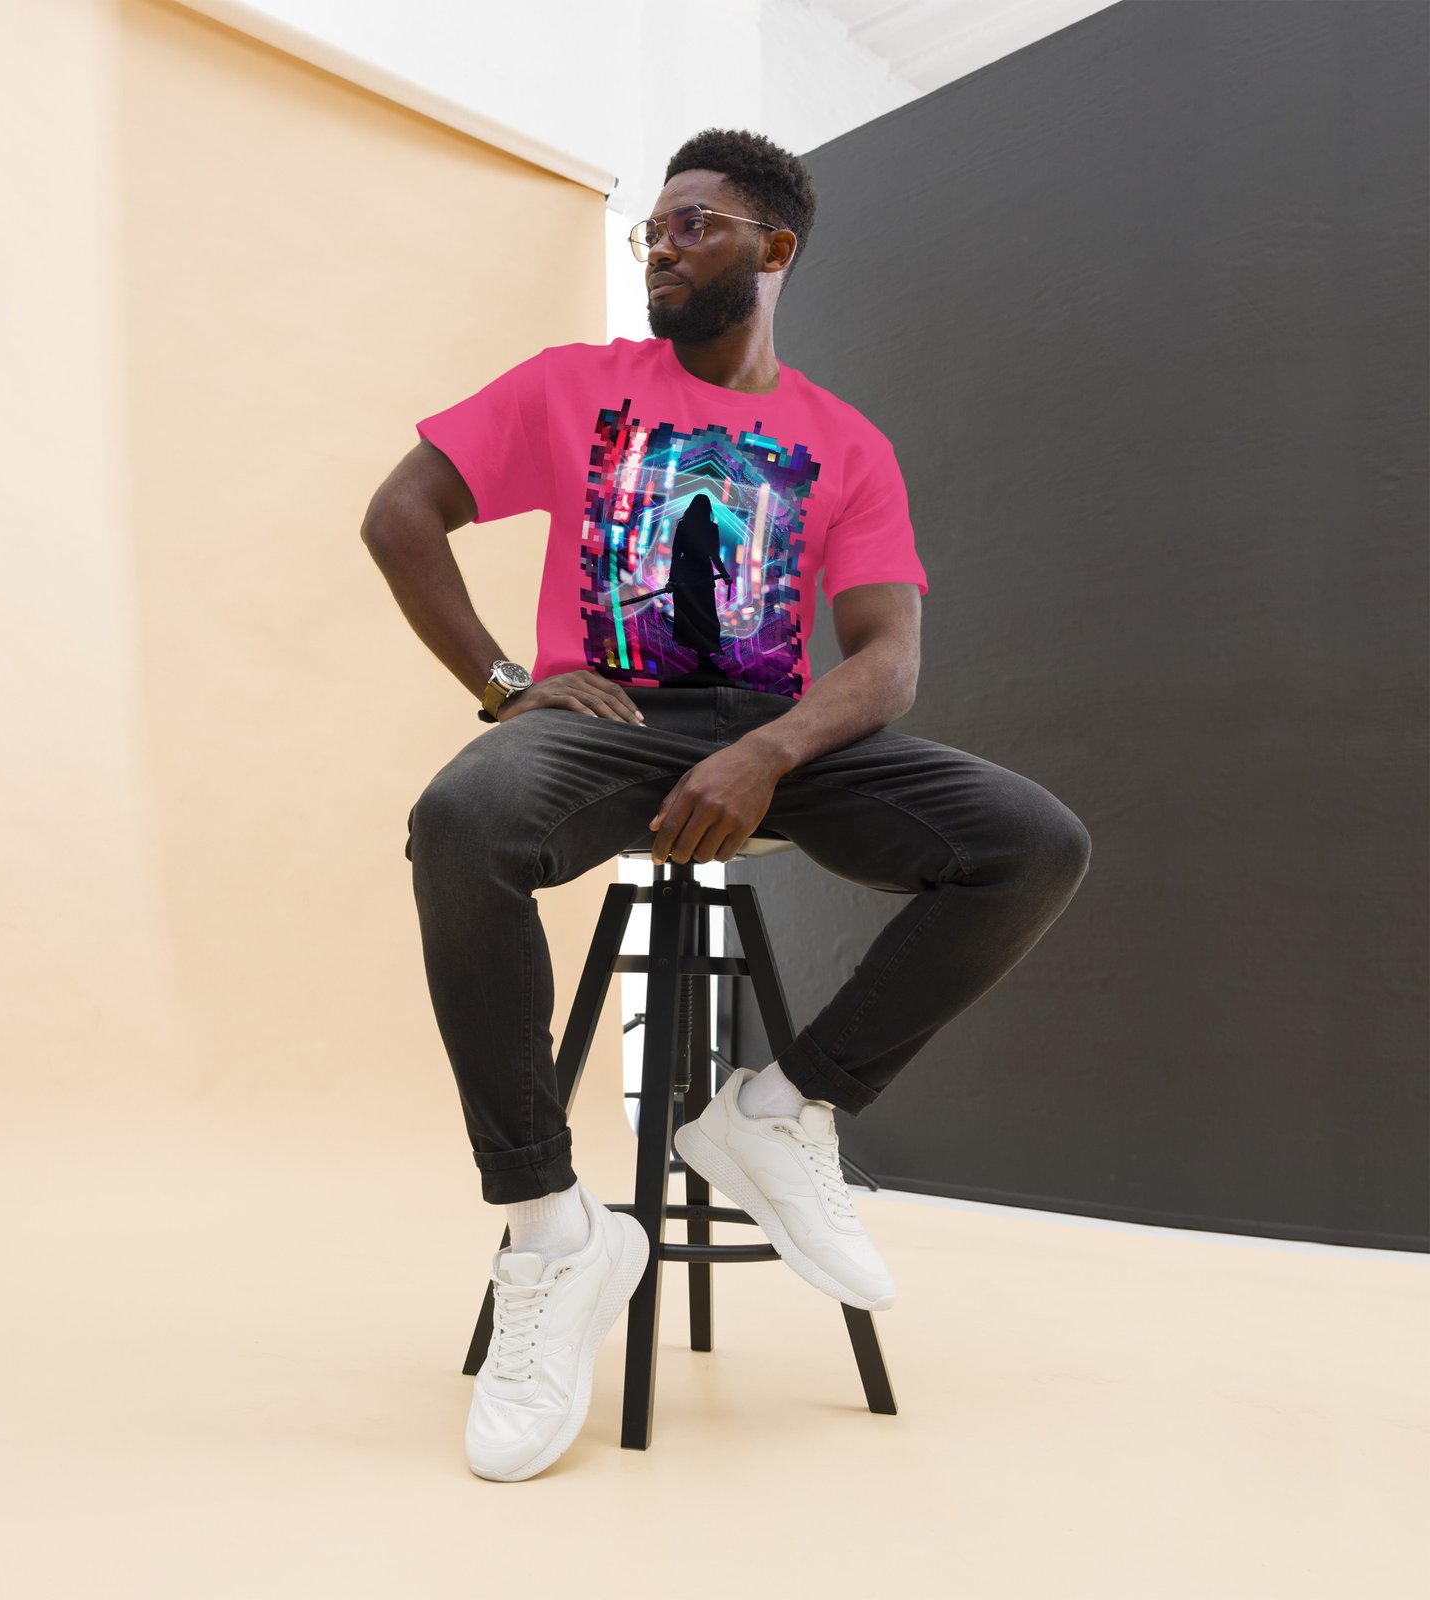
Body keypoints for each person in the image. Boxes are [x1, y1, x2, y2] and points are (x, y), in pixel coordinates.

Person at [361, 128, 1091, 1482]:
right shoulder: (574, 385)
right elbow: (399, 513)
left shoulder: (845, 443)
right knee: (461, 822)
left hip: (776, 738)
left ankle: (780, 1109)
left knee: (1031, 843)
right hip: (607, 728)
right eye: (652, 227)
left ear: (774, 249)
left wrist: (768, 754)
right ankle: (553, 1231)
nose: (661, 246)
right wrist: (509, 686)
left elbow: (886, 661)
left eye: (692, 225)